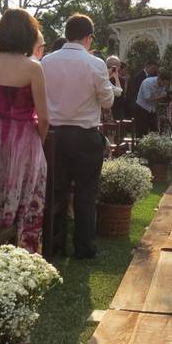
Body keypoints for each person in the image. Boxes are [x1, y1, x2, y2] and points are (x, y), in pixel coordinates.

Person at [41, 14, 120, 259]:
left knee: (55, 192)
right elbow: (107, 100)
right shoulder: (94, 63)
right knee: (86, 194)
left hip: (54, 134)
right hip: (85, 135)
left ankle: (53, 244)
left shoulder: (46, 61)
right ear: (88, 37)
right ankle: (84, 247)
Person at [0, 9, 49, 253]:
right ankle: (22, 251)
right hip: (24, 137)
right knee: (26, 195)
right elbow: (44, 117)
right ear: (29, 34)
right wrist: (37, 143)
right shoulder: (33, 67)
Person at [135, 68, 171, 135]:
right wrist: (161, 96)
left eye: (166, 84)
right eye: (164, 83)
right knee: (142, 131)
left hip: (152, 109)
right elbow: (148, 99)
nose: (164, 85)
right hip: (142, 108)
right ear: (159, 79)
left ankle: (153, 144)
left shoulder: (163, 86)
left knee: (154, 130)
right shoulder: (147, 83)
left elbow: (159, 99)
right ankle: (139, 145)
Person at [130, 60, 157, 135]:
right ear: (147, 66)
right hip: (140, 104)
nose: (154, 70)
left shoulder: (152, 76)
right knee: (141, 127)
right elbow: (136, 90)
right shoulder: (139, 76)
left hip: (148, 106)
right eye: (153, 68)